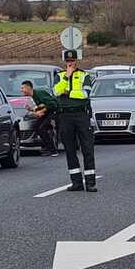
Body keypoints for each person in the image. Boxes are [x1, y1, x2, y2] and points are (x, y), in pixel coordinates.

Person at [54, 50, 97, 191]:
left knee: (87, 148)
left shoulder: (84, 75)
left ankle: (90, 182)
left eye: (72, 61)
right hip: (65, 116)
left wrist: (68, 93)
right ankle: (76, 182)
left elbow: (85, 94)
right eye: (67, 61)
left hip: (81, 115)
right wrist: (66, 77)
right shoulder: (59, 76)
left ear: (76, 61)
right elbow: (56, 92)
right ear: (64, 62)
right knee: (70, 149)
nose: (70, 63)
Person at [21, 79, 60, 156]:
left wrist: (41, 112)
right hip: (47, 113)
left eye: (23, 88)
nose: (21, 90)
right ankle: (46, 146)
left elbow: (52, 104)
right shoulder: (34, 96)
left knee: (42, 128)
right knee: (36, 127)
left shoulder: (39, 93)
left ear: (29, 88)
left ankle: (53, 151)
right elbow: (42, 105)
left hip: (53, 112)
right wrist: (32, 109)